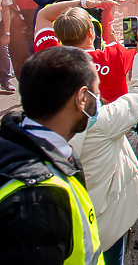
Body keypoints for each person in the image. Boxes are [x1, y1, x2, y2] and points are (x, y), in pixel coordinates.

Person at [0, 46, 105, 263]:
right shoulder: (39, 199)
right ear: (82, 98)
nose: (99, 101)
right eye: (96, 93)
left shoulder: (15, 142)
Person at [69, 44, 138, 265]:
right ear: (85, 94)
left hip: (70, 221)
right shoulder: (104, 121)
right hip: (107, 219)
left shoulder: (49, 126)